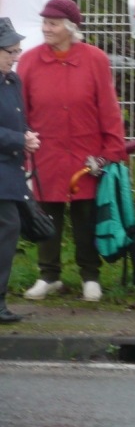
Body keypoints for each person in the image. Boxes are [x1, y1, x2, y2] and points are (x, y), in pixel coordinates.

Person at [18, 0, 128, 303]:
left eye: (52, 24)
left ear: (70, 28)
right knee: (46, 216)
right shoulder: (29, 61)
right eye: (44, 22)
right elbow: (21, 110)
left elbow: (109, 108)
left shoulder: (95, 59)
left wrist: (112, 149)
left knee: (86, 217)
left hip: (87, 155)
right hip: (45, 154)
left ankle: (90, 276)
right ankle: (48, 276)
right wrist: (22, 146)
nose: (46, 28)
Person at [0, 19, 41, 323]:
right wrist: (19, 139)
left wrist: (28, 135)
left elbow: (17, 118)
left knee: (8, 229)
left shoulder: (13, 81)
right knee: (9, 226)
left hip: (10, 172)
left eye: (18, 50)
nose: (16, 57)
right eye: (10, 51)